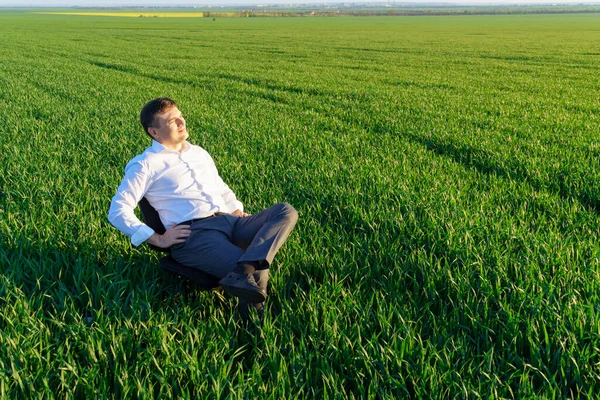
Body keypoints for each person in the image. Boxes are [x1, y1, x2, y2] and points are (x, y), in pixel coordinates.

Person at [108, 97, 298, 320]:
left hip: (231, 222)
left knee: (285, 211)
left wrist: (235, 209)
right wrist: (158, 239)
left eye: (180, 116)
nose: (181, 122)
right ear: (154, 132)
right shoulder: (145, 164)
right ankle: (255, 327)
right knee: (258, 273)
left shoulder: (198, 152)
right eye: (172, 121)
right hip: (195, 234)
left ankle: (243, 269)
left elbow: (220, 187)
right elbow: (117, 211)